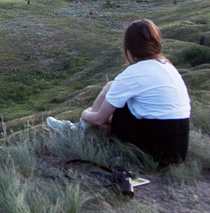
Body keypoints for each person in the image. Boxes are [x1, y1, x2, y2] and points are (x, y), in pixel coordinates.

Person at [47, 19, 190, 166]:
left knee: (101, 123)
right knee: (112, 86)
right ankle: (81, 128)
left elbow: (98, 119)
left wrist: (85, 113)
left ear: (128, 46)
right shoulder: (167, 66)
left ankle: (79, 128)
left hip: (152, 155)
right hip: (178, 153)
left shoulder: (133, 74)